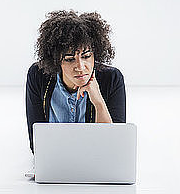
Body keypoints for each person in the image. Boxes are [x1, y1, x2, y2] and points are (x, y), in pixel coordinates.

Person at [25, 10, 126, 152]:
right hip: (55, 163)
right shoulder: (38, 76)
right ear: (56, 61)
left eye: (86, 56)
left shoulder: (112, 79)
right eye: (69, 59)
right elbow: (37, 145)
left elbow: (114, 149)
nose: (80, 67)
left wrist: (98, 103)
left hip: (96, 168)